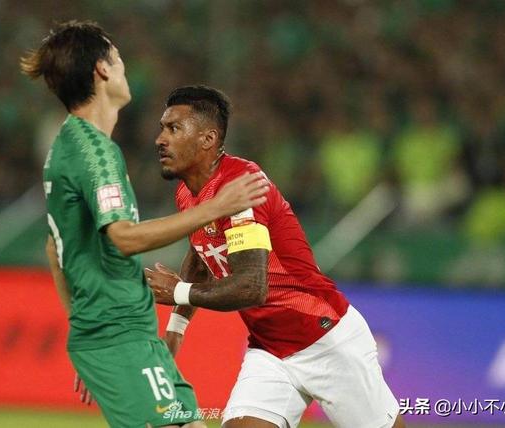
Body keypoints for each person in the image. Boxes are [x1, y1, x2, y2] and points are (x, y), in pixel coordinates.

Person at [20, 22, 269, 428]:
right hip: (119, 337)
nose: (124, 68)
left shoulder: (68, 145)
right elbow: (123, 238)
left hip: (126, 336)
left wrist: (86, 333)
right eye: (118, 59)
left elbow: (55, 247)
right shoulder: (94, 152)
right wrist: (216, 207)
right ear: (102, 70)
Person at [145, 85, 405, 428]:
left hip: (324, 338)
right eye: (162, 128)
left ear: (208, 139)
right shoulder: (187, 193)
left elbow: (252, 287)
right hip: (269, 350)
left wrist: (177, 291)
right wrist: (176, 330)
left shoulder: (242, 185)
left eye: (173, 128)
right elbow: (200, 252)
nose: (160, 139)